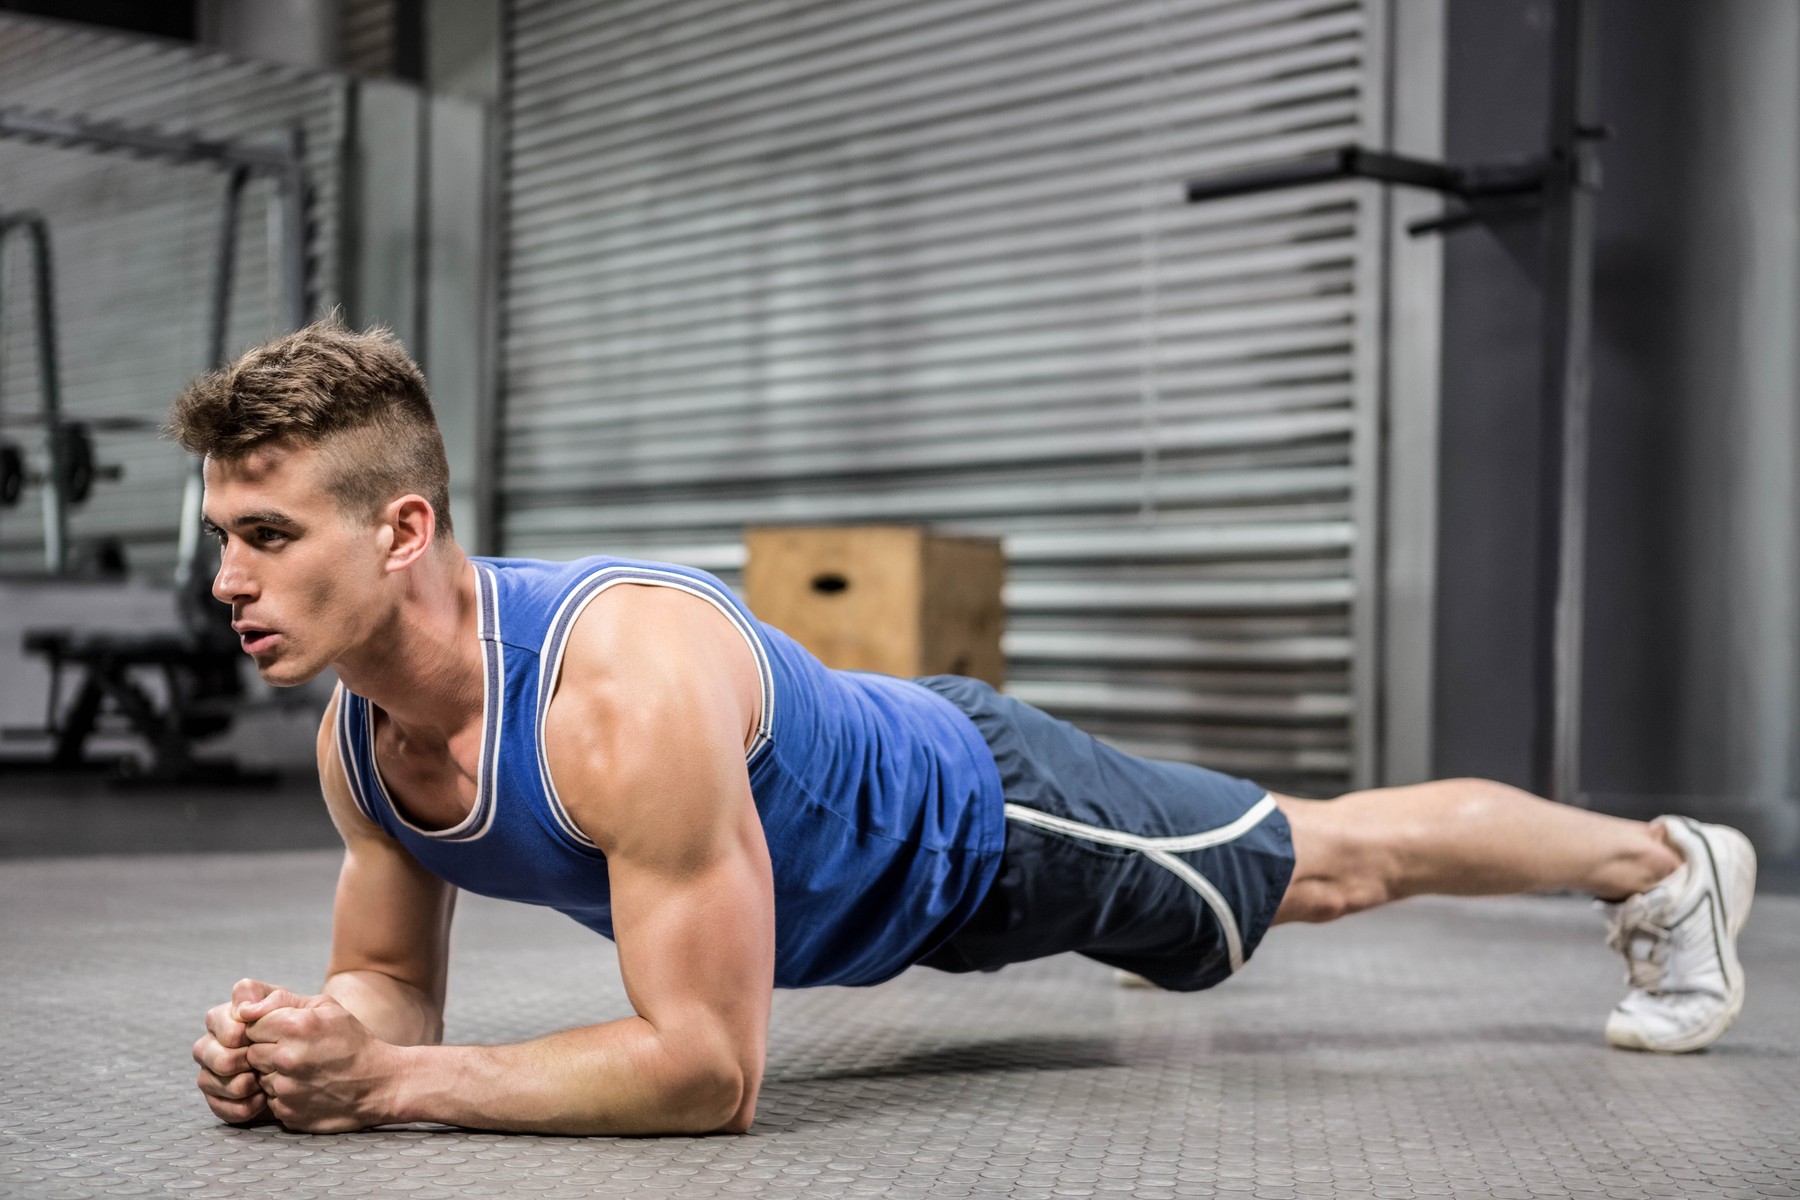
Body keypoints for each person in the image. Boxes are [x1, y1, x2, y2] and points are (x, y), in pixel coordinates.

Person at [180, 321, 1756, 1138]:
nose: (226, 577)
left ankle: (1663, 862)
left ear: (399, 531)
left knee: (1321, 862)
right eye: (221, 537)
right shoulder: (363, 749)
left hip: (983, 827)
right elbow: (389, 985)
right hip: (888, 898)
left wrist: (392, 1090)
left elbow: (708, 1073)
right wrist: (312, 1049)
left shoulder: (617, 686)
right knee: (1238, 905)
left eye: (264, 535)